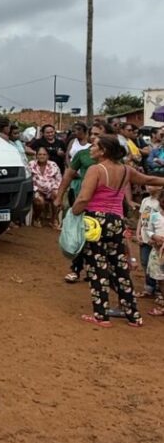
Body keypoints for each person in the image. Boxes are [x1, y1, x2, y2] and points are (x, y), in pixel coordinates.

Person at [70, 134, 162, 326]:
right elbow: (150, 178)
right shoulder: (125, 170)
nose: (90, 148)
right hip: (117, 222)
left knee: (98, 268)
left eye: (94, 146)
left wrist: (73, 214)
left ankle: (101, 316)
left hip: (96, 221)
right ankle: (134, 316)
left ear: (103, 151)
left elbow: (84, 198)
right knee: (121, 269)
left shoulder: (96, 169)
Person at [55, 121, 105, 282]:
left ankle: (96, 271)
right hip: (83, 201)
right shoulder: (83, 155)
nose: (93, 137)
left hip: (106, 205)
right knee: (80, 235)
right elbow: (68, 175)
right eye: (92, 134)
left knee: (101, 238)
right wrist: (58, 196)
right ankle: (76, 269)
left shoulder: (116, 158)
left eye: (98, 134)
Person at [30, 147, 62, 228]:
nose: (42, 156)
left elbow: (59, 180)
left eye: (44, 154)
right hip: (37, 190)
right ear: (36, 156)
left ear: (48, 156)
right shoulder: (31, 164)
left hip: (51, 190)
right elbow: (27, 180)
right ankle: (36, 218)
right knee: (39, 200)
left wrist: (54, 189)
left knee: (57, 195)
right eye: (40, 154)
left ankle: (54, 219)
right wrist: (36, 188)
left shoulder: (53, 165)